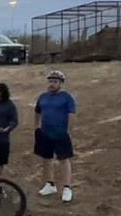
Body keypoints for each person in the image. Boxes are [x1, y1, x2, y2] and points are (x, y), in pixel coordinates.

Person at [34, 70, 77, 203]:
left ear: (61, 83)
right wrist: (36, 126)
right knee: (46, 159)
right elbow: (37, 111)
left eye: (55, 82)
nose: (52, 84)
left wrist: (68, 130)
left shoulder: (66, 97)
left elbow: (71, 114)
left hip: (60, 133)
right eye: (51, 81)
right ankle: (50, 184)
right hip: (45, 133)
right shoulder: (43, 97)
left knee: (64, 160)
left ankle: (67, 187)